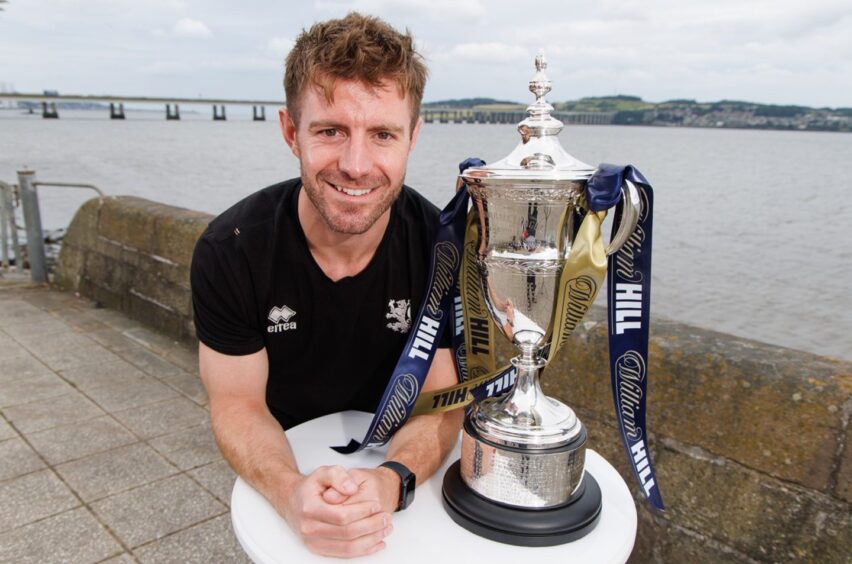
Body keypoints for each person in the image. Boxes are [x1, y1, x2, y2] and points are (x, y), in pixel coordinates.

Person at [189, 13, 462, 559]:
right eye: (330, 130)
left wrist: (391, 481)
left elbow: (440, 403)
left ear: (413, 136)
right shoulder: (232, 249)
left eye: (382, 134)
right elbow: (238, 404)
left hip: (400, 461)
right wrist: (291, 494)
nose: (356, 165)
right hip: (281, 456)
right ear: (291, 132)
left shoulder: (443, 249)